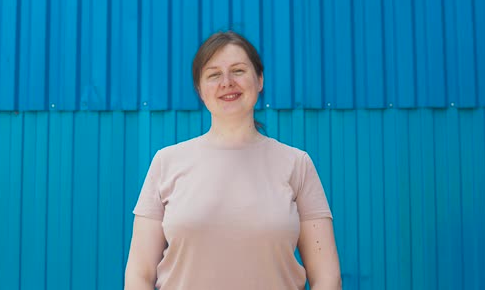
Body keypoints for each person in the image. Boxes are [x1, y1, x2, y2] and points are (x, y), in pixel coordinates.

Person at [124, 31, 341, 290]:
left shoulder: (297, 163)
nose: (226, 82)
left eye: (238, 71)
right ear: (200, 90)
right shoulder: (166, 162)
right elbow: (139, 274)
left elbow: (326, 277)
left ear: (259, 80)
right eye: (214, 75)